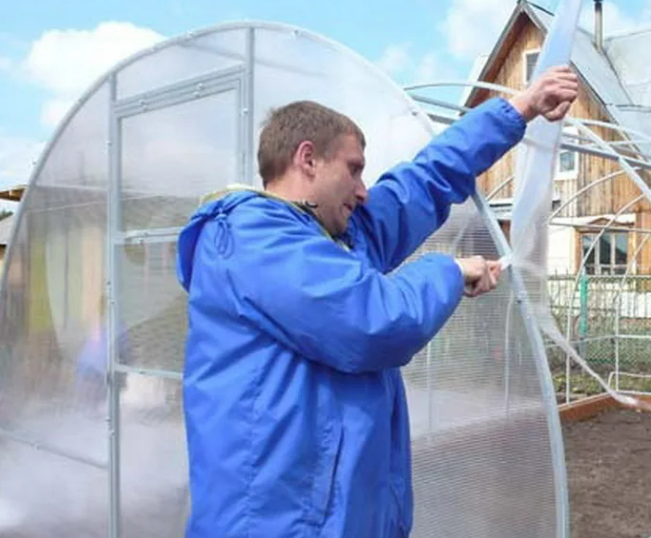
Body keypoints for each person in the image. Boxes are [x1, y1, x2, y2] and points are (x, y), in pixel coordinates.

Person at [174, 65, 578, 537]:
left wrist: (521, 108)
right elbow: (372, 323)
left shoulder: (338, 238)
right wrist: (448, 271)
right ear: (308, 159)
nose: (364, 190)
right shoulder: (251, 239)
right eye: (354, 169)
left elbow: (425, 180)